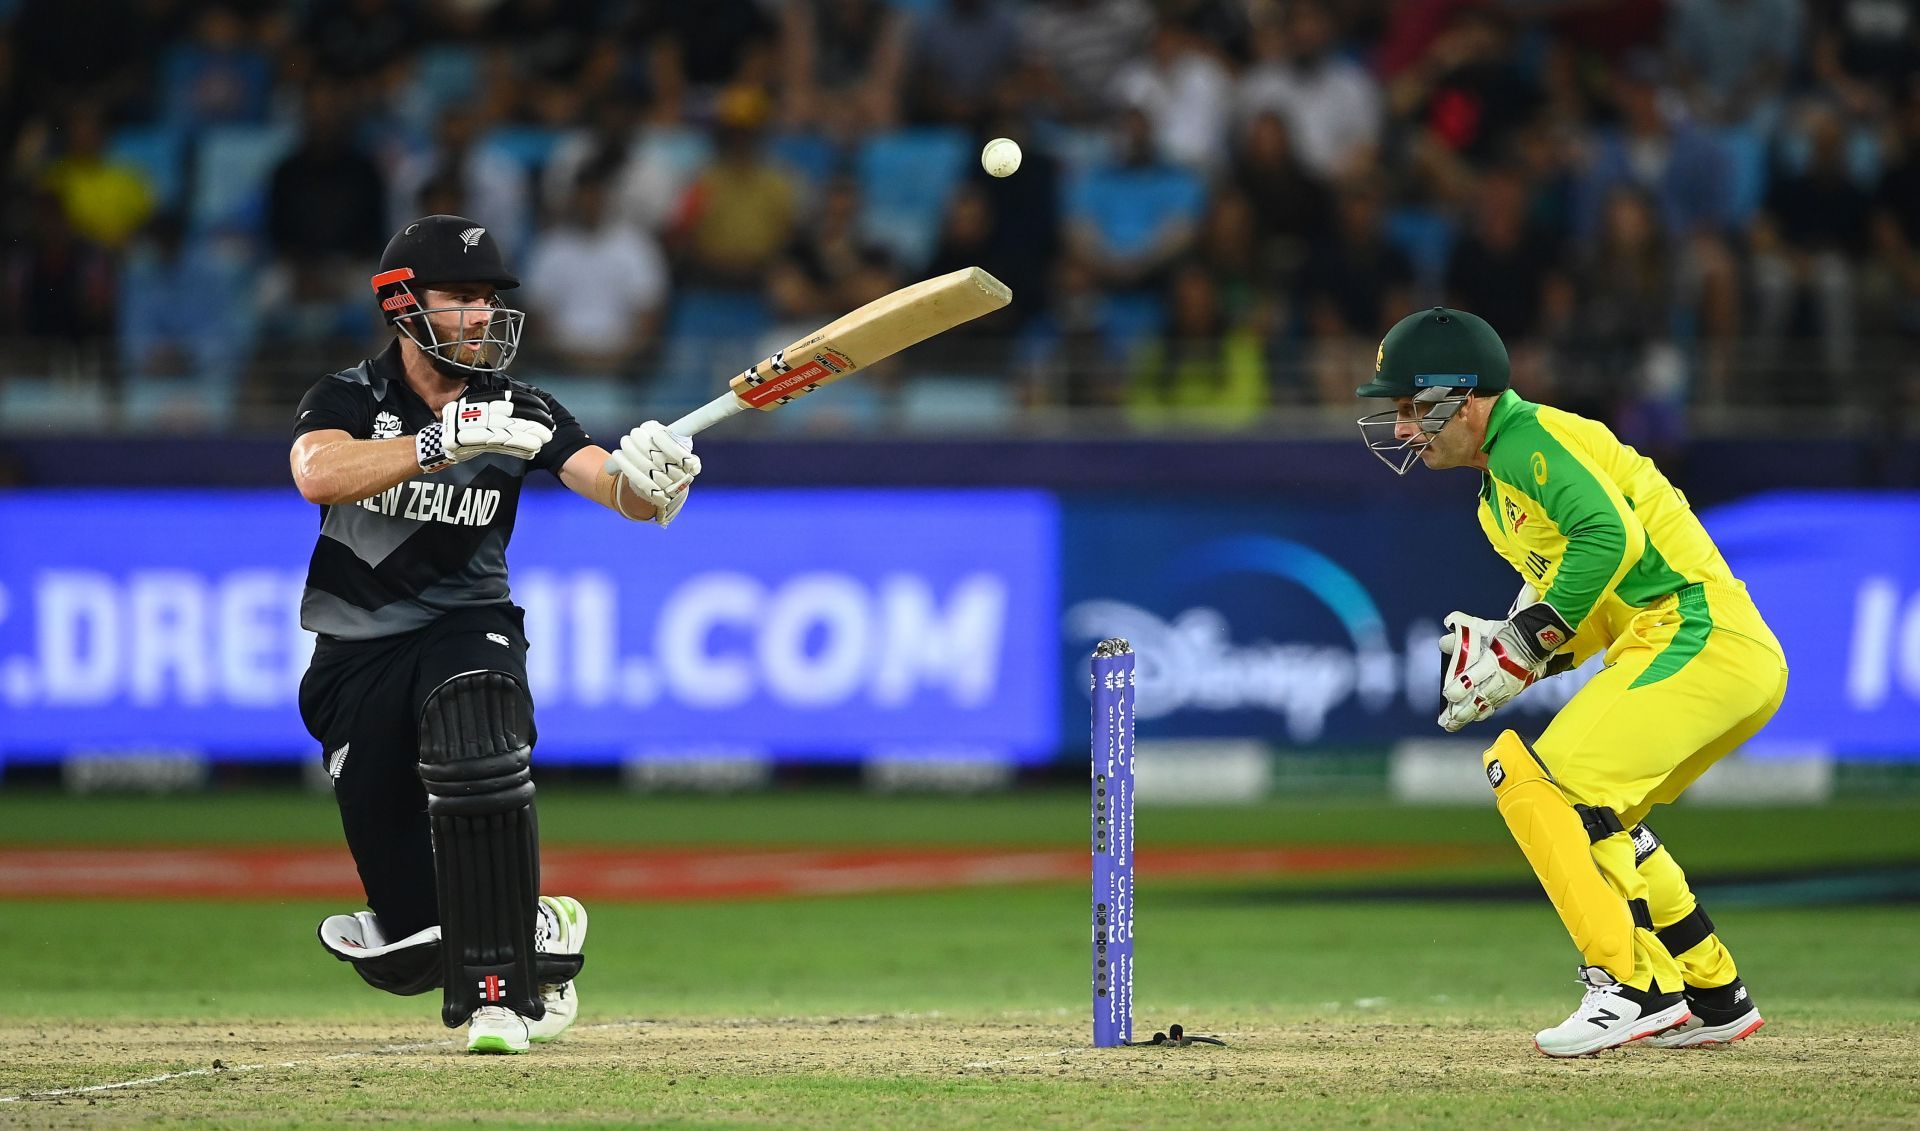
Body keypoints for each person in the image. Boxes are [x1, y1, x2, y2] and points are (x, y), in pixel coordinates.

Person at [291, 215, 703, 1053]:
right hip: (354, 660)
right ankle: (537, 922)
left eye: (489, 300)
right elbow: (316, 473)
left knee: (476, 731)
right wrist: (439, 443)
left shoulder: (522, 407)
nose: (481, 317)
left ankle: (500, 999)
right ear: (404, 305)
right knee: (411, 939)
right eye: (461, 299)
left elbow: (612, 487)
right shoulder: (348, 397)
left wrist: (655, 477)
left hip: (467, 624)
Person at [1355, 307, 1787, 1057]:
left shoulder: (1529, 441)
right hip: (1695, 641)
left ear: (1467, 396)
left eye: (1410, 406)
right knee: (1601, 817)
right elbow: (1591, 600)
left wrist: (1525, 638)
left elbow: (1609, 540)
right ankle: (1711, 989)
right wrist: (1519, 660)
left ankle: (1629, 987)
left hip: (1697, 630)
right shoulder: (1497, 501)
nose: (1400, 428)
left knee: (1535, 779)